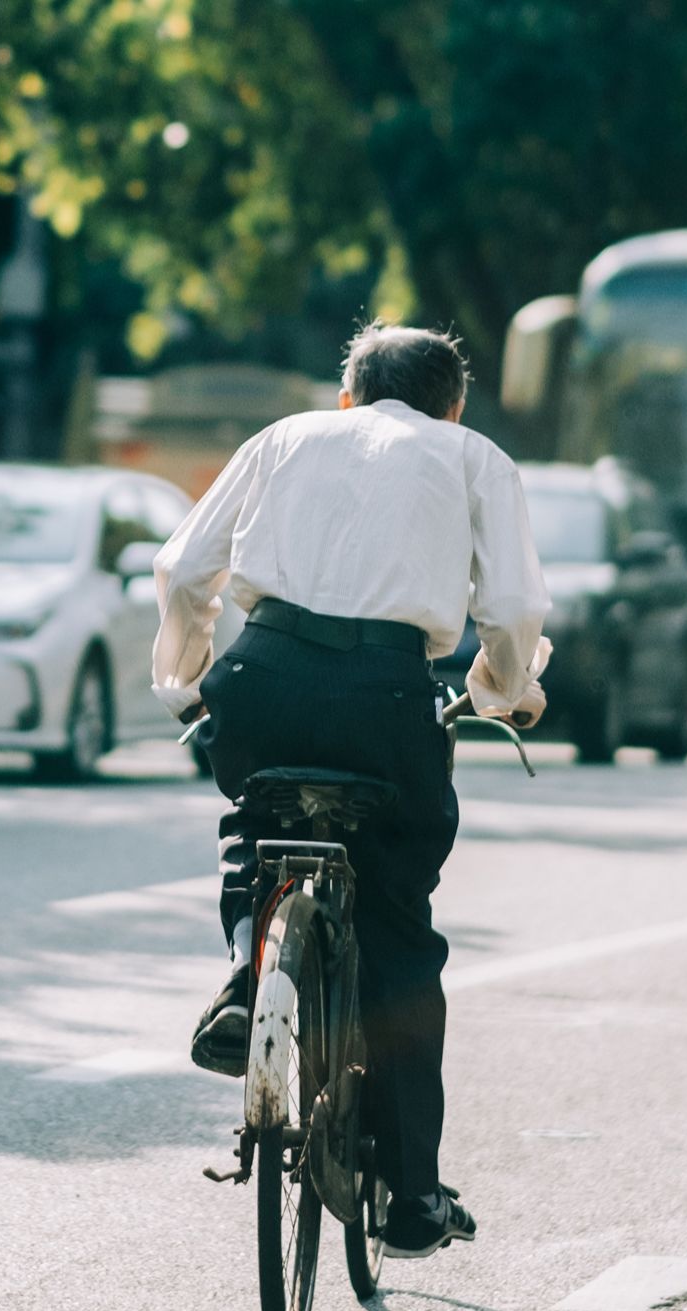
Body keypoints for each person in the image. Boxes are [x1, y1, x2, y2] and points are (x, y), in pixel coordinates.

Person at [150, 324, 550, 1259]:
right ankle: (413, 1192)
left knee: (253, 837)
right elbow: (514, 610)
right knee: (400, 931)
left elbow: (182, 567)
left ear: (348, 396)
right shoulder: (473, 458)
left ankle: (252, 983)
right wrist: (502, 693)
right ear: (453, 405)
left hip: (263, 678)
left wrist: (189, 677)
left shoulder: (284, 438)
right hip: (387, 697)